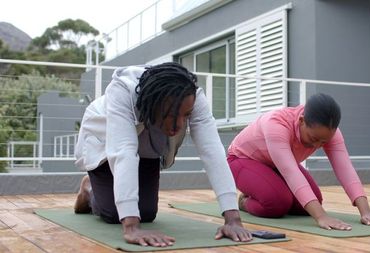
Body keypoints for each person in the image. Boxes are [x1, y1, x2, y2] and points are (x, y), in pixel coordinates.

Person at [73, 62, 252, 247]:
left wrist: (233, 219)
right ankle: (89, 190)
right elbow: (123, 152)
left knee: (147, 213)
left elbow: (212, 151)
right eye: (171, 114)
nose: (179, 124)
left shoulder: (193, 96)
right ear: (154, 102)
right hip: (104, 144)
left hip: (146, 147)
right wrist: (131, 226)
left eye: (186, 115)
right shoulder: (122, 91)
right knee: (115, 214)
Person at [227, 93, 370, 230]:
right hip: (241, 160)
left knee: (307, 206)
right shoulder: (276, 124)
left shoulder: (329, 133)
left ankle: (268, 189)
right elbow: (290, 171)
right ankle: (245, 202)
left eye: (323, 141)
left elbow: (345, 169)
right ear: (301, 121)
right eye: (314, 138)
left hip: (274, 165)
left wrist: (366, 212)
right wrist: (321, 216)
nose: (317, 145)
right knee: (277, 203)